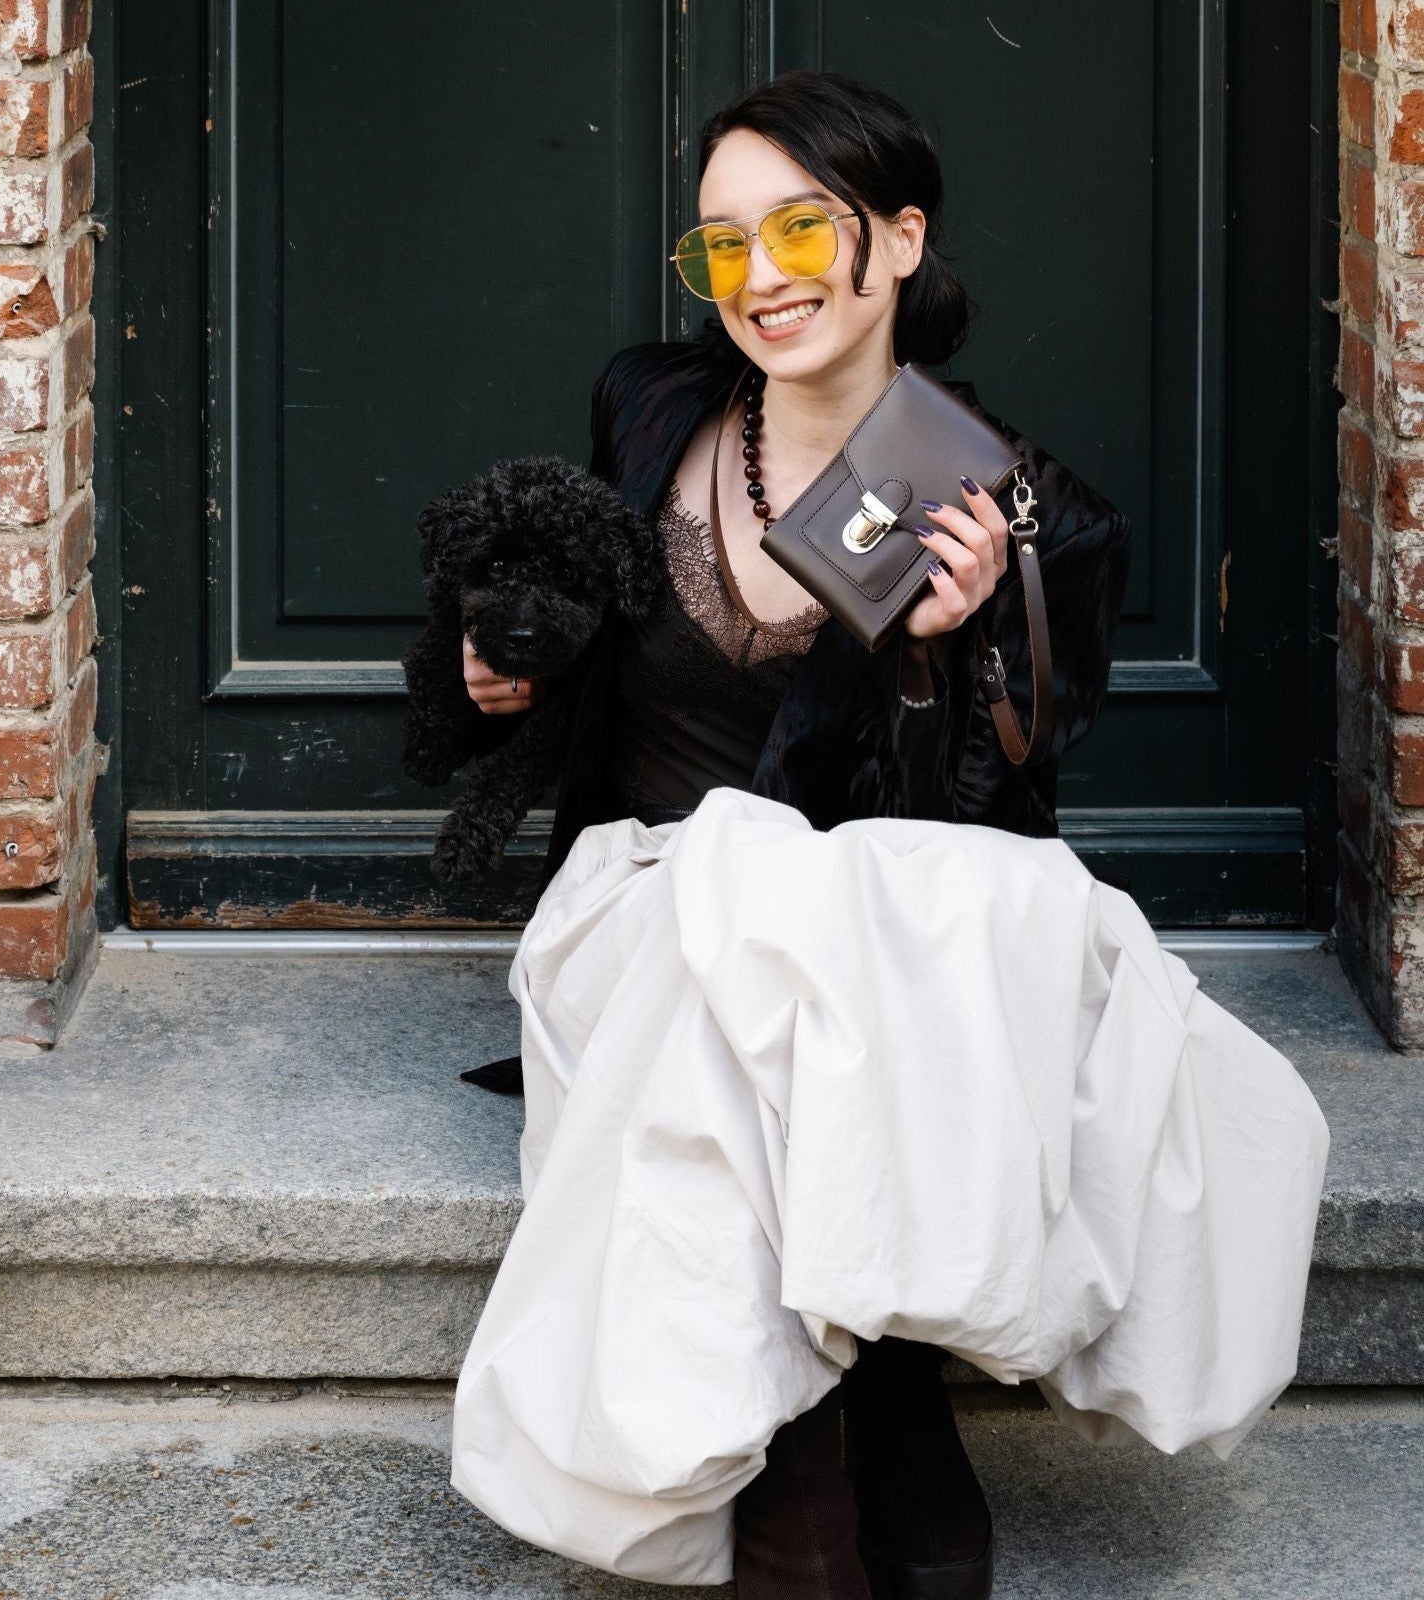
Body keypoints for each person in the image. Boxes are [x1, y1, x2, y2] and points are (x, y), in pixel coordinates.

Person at [446, 71, 1328, 1600]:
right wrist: (503, 668)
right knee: (752, 932)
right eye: (724, 245)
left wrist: (944, 656)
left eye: (802, 229)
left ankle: (830, 1462)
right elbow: (574, 624)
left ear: (902, 240)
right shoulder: (650, 406)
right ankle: (885, 1429)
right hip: (653, 920)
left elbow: (984, 835)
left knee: (871, 928)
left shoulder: (1028, 515)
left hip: (883, 952)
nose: (761, 276)